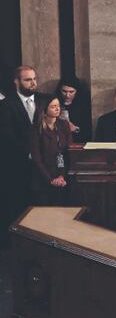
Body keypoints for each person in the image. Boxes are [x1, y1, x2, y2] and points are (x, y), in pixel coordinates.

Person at [0, 66, 44, 238]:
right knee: (18, 207)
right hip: (17, 167)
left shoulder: (45, 100)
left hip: (43, 168)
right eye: (28, 79)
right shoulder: (5, 105)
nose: (33, 83)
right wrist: (30, 153)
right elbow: (7, 135)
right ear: (16, 82)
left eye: (34, 79)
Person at [28, 97, 72, 205]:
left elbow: (67, 152)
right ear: (44, 110)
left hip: (61, 177)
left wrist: (61, 176)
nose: (57, 109)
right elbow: (36, 159)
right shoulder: (36, 129)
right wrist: (50, 180)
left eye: (58, 106)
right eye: (53, 107)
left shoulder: (64, 125)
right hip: (42, 178)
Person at [56, 76, 91, 145]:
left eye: (71, 92)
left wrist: (75, 128)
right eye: (64, 91)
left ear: (76, 91)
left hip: (77, 143)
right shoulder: (55, 104)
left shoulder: (83, 107)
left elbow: (88, 131)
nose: (67, 95)